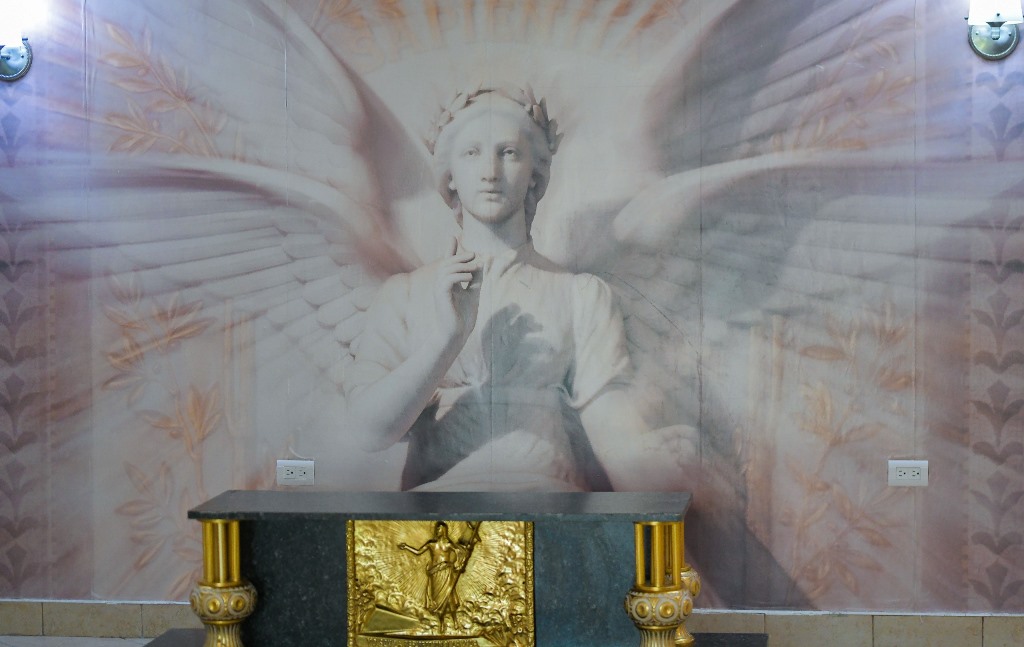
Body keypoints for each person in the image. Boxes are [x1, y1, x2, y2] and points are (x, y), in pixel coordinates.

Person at [346, 88, 695, 491]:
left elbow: (610, 428)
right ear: (450, 175)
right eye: (472, 153)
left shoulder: (580, 295)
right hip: (436, 511)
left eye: (509, 152)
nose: (490, 172)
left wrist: (650, 460)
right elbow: (368, 431)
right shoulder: (405, 296)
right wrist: (446, 341)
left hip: (547, 501)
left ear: (534, 173)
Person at [398, 521, 480, 629]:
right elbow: (418, 552)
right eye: (437, 528)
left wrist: (458, 563)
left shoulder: (448, 543)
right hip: (435, 573)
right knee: (437, 600)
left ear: (444, 530)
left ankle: (455, 620)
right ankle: (441, 622)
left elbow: (460, 551)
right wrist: (406, 547)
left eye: (439, 528)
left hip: (446, 572)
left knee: (449, 596)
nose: (437, 530)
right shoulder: (431, 543)